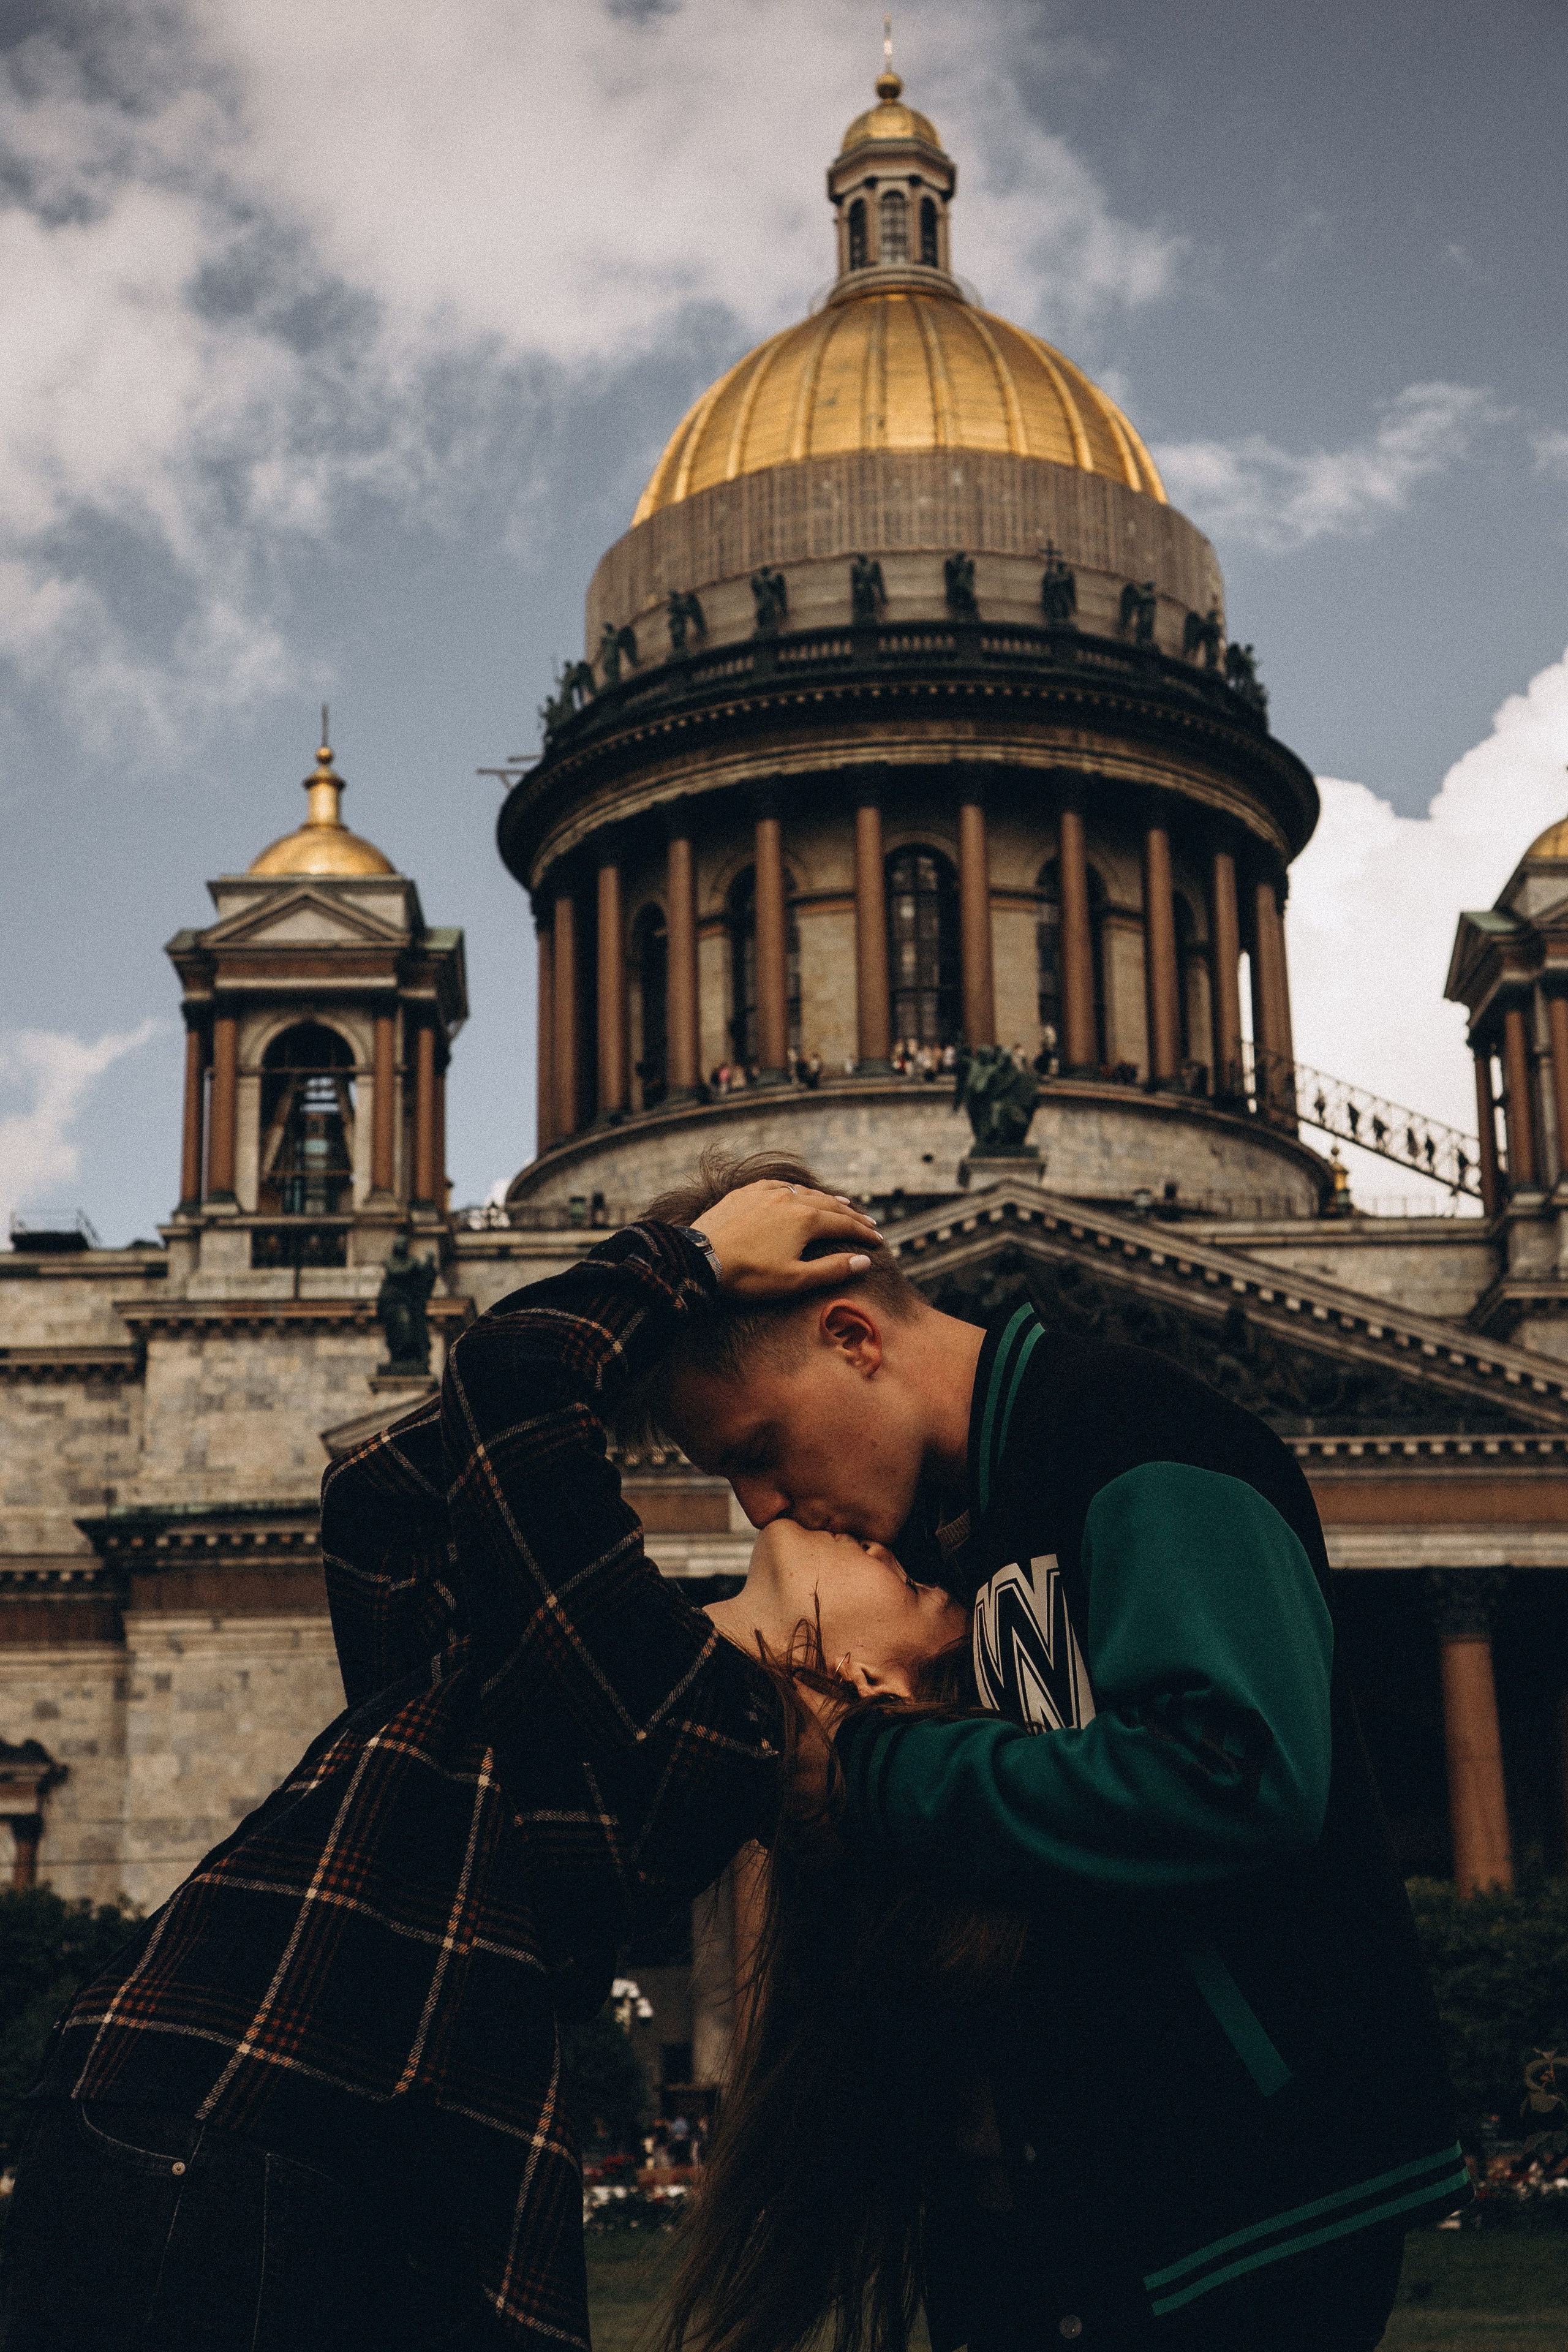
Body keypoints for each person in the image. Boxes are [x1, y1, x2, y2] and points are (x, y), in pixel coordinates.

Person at [0, 1183, 929, 2351]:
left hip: (250, 2133)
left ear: (865, 1689)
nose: (871, 1536)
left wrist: (681, 1267)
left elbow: (516, 1390)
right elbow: (383, 1500)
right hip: (199, 2118)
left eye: (912, 1584)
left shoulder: (701, 1735)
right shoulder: (608, 1658)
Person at [649, 1148, 1468, 2352]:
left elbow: (1231, 1772)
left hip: (1243, 2201)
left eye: (755, 1451)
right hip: (1060, 2211)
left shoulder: (1135, 1436)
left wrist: (872, 1771)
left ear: (851, 1338)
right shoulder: (944, 1536)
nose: (761, 1508)